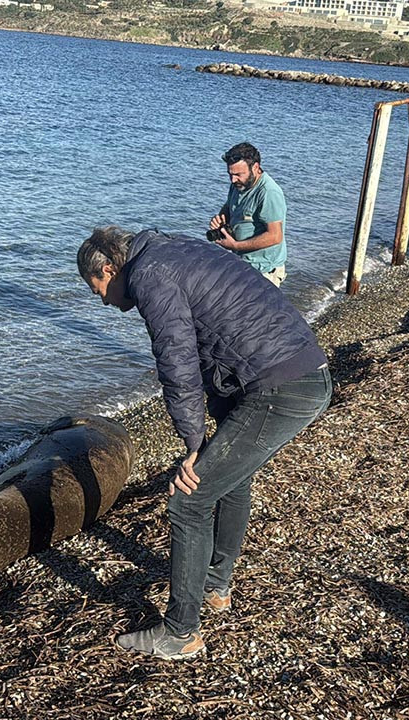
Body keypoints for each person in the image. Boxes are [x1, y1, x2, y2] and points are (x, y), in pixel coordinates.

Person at [77, 225, 332, 660]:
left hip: (280, 386)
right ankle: (216, 587)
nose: (102, 299)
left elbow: (176, 361)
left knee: (188, 501)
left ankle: (181, 632)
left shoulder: (150, 275)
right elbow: (209, 339)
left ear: (109, 268)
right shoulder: (172, 251)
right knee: (232, 480)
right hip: (298, 370)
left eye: (97, 287)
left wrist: (194, 442)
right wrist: (212, 423)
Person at [208, 142, 288, 287]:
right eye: (230, 174)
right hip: (241, 262)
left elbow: (275, 236)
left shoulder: (269, 192)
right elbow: (229, 204)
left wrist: (235, 245)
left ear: (255, 167)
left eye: (238, 174)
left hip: (264, 270)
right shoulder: (238, 184)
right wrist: (220, 219)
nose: (233, 180)